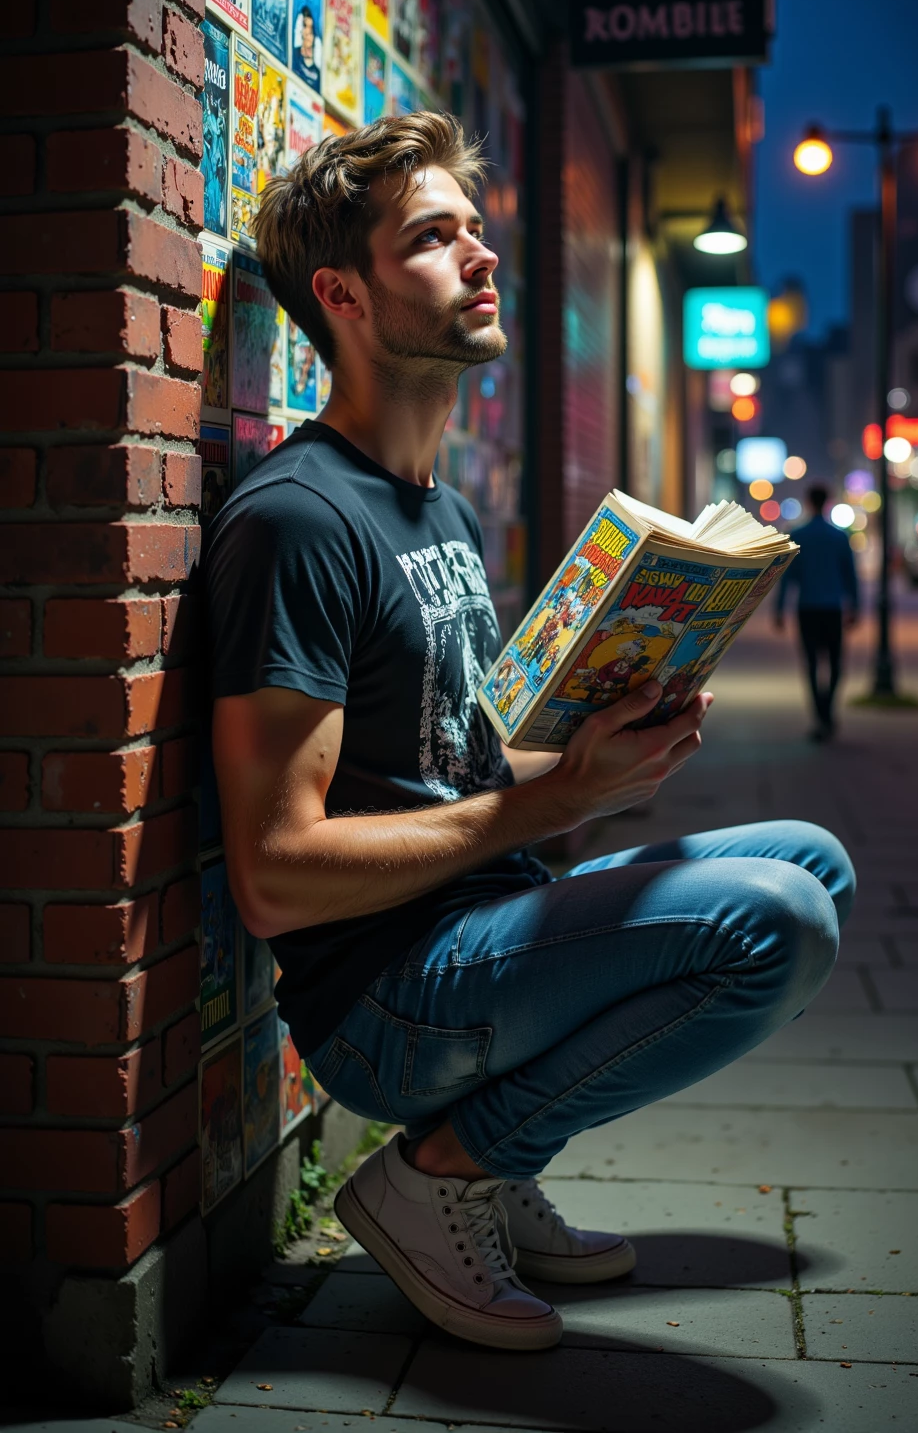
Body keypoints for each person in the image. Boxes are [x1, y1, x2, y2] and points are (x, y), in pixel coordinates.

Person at [202, 112, 855, 1353]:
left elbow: (455, 764)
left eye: (474, 226)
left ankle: (487, 1165)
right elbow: (274, 875)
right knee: (778, 921)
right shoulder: (298, 521)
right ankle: (440, 1175)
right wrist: (553, 805)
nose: (482, 253)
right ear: (342, 295)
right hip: (388, 999)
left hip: (480, 924)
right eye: (431, 236)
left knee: (814, 859)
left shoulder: (438, 509)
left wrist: (612, 742)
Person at [774, 484, 860, 740]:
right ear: (827, 502)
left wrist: (779, 609)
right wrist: (854, 606)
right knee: (835, 664)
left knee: (811, 664)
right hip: (833, 608)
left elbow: (787, 577)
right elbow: (850, 575)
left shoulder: (798, 535)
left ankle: (820, 715)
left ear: (809, 502)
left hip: (807, 608)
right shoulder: (839, 537)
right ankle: (827, 709)